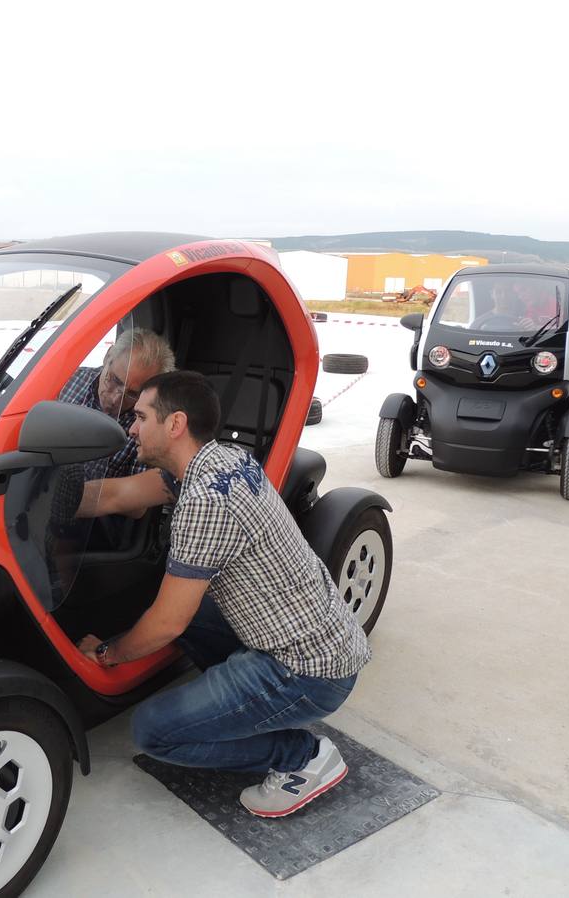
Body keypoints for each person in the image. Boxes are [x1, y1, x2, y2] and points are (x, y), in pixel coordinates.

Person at [73, 371, 370, 817]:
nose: (131, 428)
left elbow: (166, 623)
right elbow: (116, 495)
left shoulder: (203, 501)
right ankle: (244, 703)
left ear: (174, 425)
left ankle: (303, 759)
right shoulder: (223, 461)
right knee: (183, 607)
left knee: (154, 732)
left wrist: (108, 654)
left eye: (140, 416)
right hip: (322, 642)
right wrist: (39, 501)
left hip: (305, 673)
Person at [57, 327, 176, 478]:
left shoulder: (149, 429)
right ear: (108, 356)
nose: (115, 399)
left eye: (133, 394)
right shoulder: (66, 382)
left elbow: (132, 497)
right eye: (114, 380)